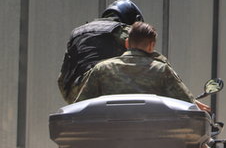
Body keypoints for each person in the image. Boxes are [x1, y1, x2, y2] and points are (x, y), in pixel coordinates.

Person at [75, 21, 209, 111]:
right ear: (151, 46)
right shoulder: (162, 70)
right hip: (155, 145)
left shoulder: (102, 69)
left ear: (127, 44)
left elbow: (80, 107)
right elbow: (188, 106)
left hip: (109, 143)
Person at [57, 0, 144, 104]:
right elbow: (145, 60)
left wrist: (73, 99)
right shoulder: (124, 31)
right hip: (110, 94)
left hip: (77, 94)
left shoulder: (77, 33)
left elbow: (63, 78)